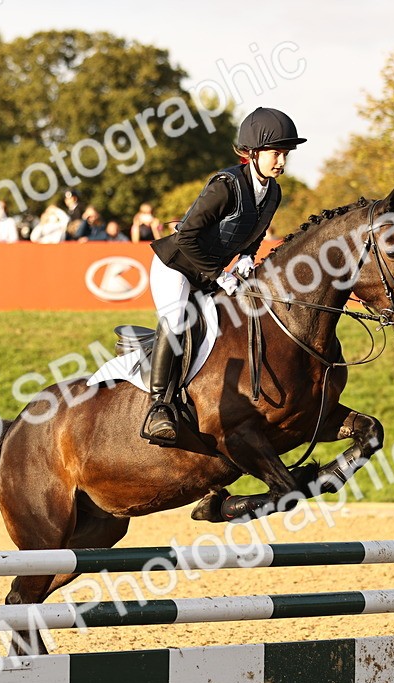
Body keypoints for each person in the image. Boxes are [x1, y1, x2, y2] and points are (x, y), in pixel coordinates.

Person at [143, 107, 306, 443]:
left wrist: (247, 256)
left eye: (285, 155)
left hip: (209, 275)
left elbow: (257, 231)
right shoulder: (225, 186)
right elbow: (187, 235)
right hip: (176, 266)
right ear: (253, 152)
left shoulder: (272, 192)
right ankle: (158, 406)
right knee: (176, 320)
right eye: (276, 154)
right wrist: (221, 274)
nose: (282, 162)